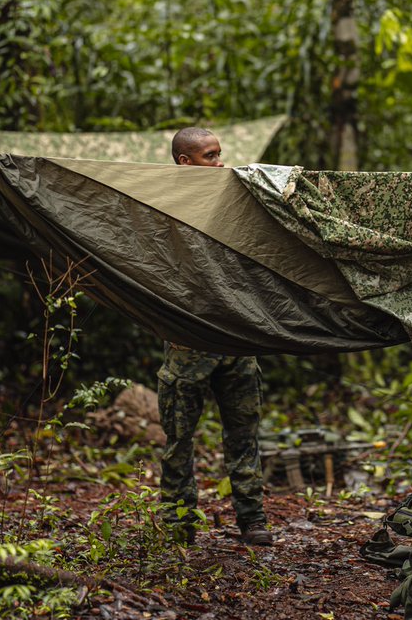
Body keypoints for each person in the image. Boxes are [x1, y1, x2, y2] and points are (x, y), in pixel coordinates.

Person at [155, 127, 273, 546]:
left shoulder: (233, 199)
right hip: (188, 346)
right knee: (179, 442)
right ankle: (179, 523)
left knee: (244, 436)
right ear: (186, 163)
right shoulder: (160, 204)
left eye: (220, 154)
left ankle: (252, 521)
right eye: (210, 156)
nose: (220, 163)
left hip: (236, 344)